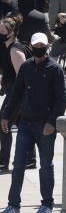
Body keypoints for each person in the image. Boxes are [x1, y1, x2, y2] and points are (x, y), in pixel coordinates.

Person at [0, 32, 66, 213]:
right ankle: (13, 204)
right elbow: (16, 94)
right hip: (26, 124)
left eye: (42, 46)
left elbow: (61, 99)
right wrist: (6, 116)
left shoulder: (55, 69)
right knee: (19, 163)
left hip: (45, 125)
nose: (39, 49)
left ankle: (47, 203)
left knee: (46, 165)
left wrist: (52, 122)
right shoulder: (26, 67)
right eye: (36, 46)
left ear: (46, 47)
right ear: (31, 46)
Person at [0, 16, 28, 172]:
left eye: (2, 30)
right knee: (25, 125)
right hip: (14, 93)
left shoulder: (15, 49)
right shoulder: (8, 47)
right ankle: (30, 159)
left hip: (16, 95)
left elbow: (22, 75)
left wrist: (15, 98)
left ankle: (3, 160)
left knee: (3, 123)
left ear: (11, 33)